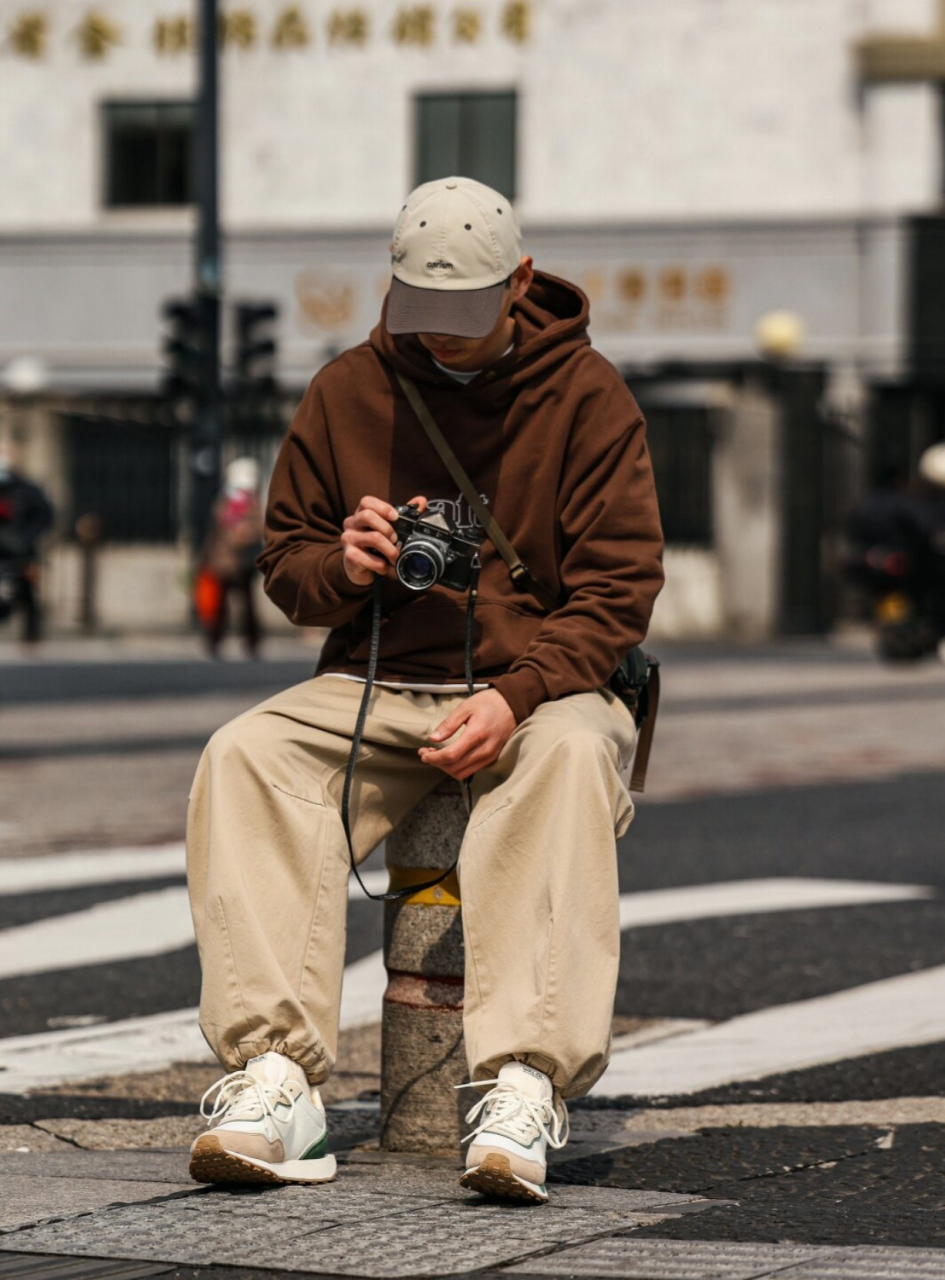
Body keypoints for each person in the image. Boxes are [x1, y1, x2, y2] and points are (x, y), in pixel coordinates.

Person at [186, 177, 664, 1202]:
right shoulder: (348, 387)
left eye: (465, 316)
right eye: (421, 314)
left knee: (571, 755)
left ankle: (523, 1080)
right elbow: (286, 565)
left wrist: (520, 692)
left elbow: (618, 590)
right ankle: (277, 1080)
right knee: (246, 754)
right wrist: (344, 564)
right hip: (377, 676)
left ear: (521, 280)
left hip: (539, 682)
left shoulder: (587, 395)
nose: (441, 340)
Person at [0, 442, 54, 644]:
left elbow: (44, 517)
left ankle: (31, 636)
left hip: (19, 553)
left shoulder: (27, 490)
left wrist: (26, 539)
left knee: (25, 595)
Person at [199, 457, 264, 659]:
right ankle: (215, 641)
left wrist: (242, 534)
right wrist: (205, 558)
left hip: (243, 563)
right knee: (220, 606)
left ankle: (252, 642)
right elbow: (214, 532)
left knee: (247, 606)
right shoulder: (225, 501)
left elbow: (257, 529)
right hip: (222, 562)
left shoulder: (251, 504)